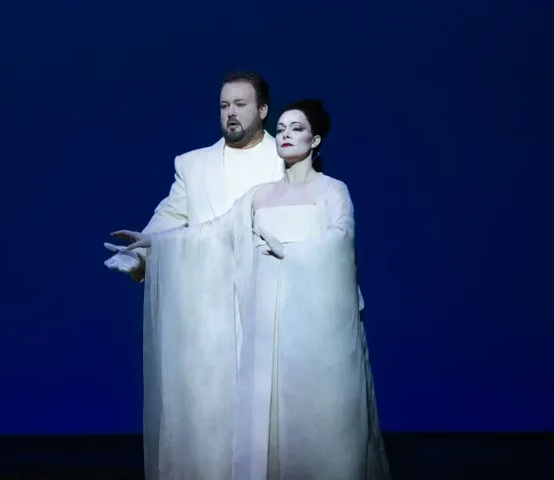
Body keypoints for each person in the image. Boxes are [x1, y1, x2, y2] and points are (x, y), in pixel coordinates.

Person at [107, 100, 390, 479]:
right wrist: (153, 243)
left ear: (316, 139)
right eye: (284, 128)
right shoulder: (259, 195)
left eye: (297, 128)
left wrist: (289, 251)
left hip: (316, 326)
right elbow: (210, 234)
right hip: (266, 323)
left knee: (321, 420)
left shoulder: (332, 191)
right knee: (268, 420)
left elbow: (340, 240)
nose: (287, 135)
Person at [104, 71, 284, 280]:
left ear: (262, 110)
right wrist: (138, 255)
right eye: (224, 106)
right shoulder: (193, 166)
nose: (231, 112)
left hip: (268, 293)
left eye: (240, 104)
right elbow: (168, 219)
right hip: (208, 297)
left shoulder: (286, 163)